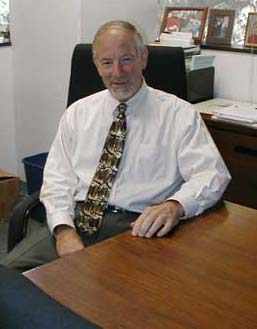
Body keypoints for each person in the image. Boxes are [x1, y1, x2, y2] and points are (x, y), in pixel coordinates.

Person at [0, 20, 230, 271]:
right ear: (97, 65)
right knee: (10, 285)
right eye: (107, 62)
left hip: (137, 228)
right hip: (76, 219)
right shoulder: (78, 113)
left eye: (127, 60)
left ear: (143, 58)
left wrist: (175, 206)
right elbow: (57, 179)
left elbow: (212, 175)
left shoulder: (179, 115)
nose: (117, 73)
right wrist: (63, 229)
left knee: (111, 299)